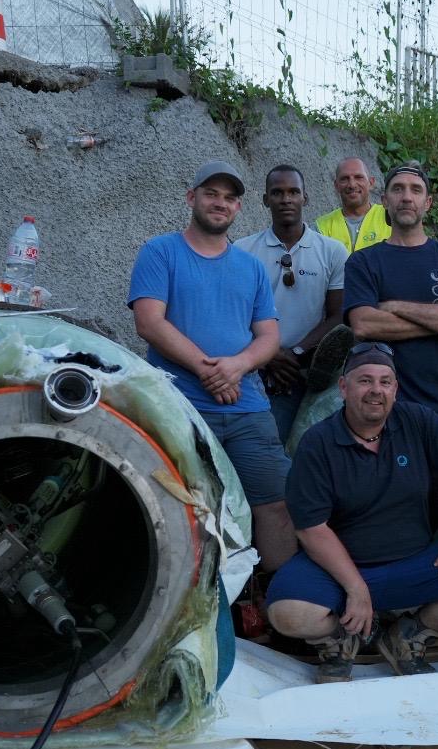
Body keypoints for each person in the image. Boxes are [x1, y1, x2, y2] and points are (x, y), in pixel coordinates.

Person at [266, 342, 438, 683]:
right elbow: (311, 528)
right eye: (365, 380)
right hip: (339, 568)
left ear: (395, 389)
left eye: (385, 381)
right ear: (343, 387)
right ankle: (339, 640)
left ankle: (408, 637)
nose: (375, 391)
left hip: (413, 561)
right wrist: (356, 588)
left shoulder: (418, 420)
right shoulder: (318, 442)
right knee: (287, 612)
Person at [128, 160, 296, 572]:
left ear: (238, 208)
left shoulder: (251, 267)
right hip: (181, 406)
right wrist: (209, 371)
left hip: (247, 408)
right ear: (192, 198)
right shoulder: (160, 251)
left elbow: (269, 337)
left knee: (276, 503)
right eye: (211, 194)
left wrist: (236, 367)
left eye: (229, 198)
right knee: (181, 508)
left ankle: (280, 602)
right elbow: (149, 322)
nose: (220, 204)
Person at [344, 163, 438, 530]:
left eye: (415, 190)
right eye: (398, 189)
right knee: (395, 522)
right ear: (384, 200)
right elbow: (364, 324)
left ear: (429, 202)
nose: (407, 196)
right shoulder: (363, 262)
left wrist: (395, 306)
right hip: (384, 410)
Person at [236, 163, 348, 444]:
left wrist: (296, 353)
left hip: (309, 369)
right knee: (267, 446)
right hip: (257, 371)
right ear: (265, 200)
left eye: (293, 192)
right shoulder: (242, 251)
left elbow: (338, 314)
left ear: (305, 197)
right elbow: (234, 315)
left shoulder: (332, 251)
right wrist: (269, 355)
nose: (286, 199)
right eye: (277, 193)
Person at [316, 157, 390, 253]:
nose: (352, 185)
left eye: (359, 177)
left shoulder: (390, 217)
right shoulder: (321, 227)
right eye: (344, 179)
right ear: (336, 186)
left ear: (371, 183)